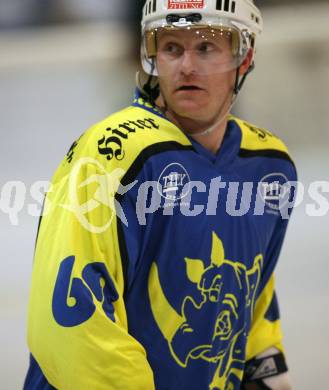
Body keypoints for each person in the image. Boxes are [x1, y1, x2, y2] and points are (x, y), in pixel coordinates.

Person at [23, 0, 297, 389]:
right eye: (171, 48)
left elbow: (249, 288)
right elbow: (69, 320)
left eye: (205, 48)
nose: (186, 66)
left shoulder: (270, 165)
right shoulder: (111, 153)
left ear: (245, 55)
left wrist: (265, 368)